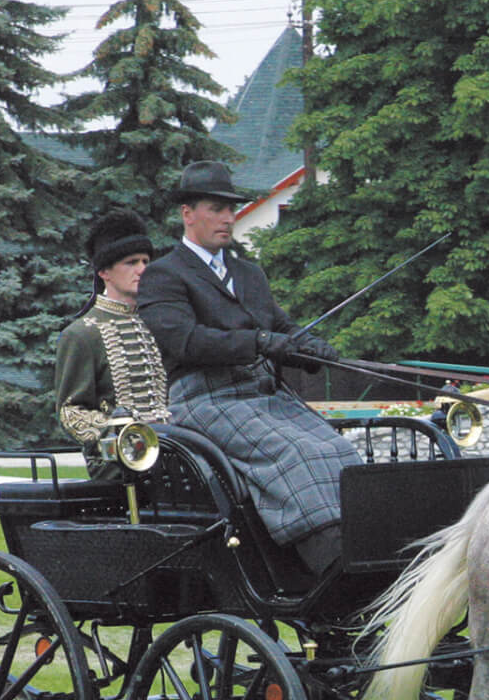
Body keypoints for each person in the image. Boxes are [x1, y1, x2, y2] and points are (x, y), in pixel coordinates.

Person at [137, 160, 359, 576]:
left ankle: (359, 550)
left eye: (231, 209)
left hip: (262, 396)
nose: (227, 218)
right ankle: (329, 562)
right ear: (188, 213)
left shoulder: (248, 273)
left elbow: (281, 326)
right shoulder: (164, 275)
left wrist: (309, 348)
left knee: (338, 449)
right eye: (216, 209)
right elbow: (183, 340)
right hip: (204, 398)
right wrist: (256, 342)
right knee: (296, 453)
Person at [56, 209, 171, 479]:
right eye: (131, 262)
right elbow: (71, 411)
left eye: (145, 261)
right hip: (118, 461)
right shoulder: (82, 333)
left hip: (173, 449)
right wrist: (121, 430)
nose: (142, 269)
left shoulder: (161, 322)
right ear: (105, 271)